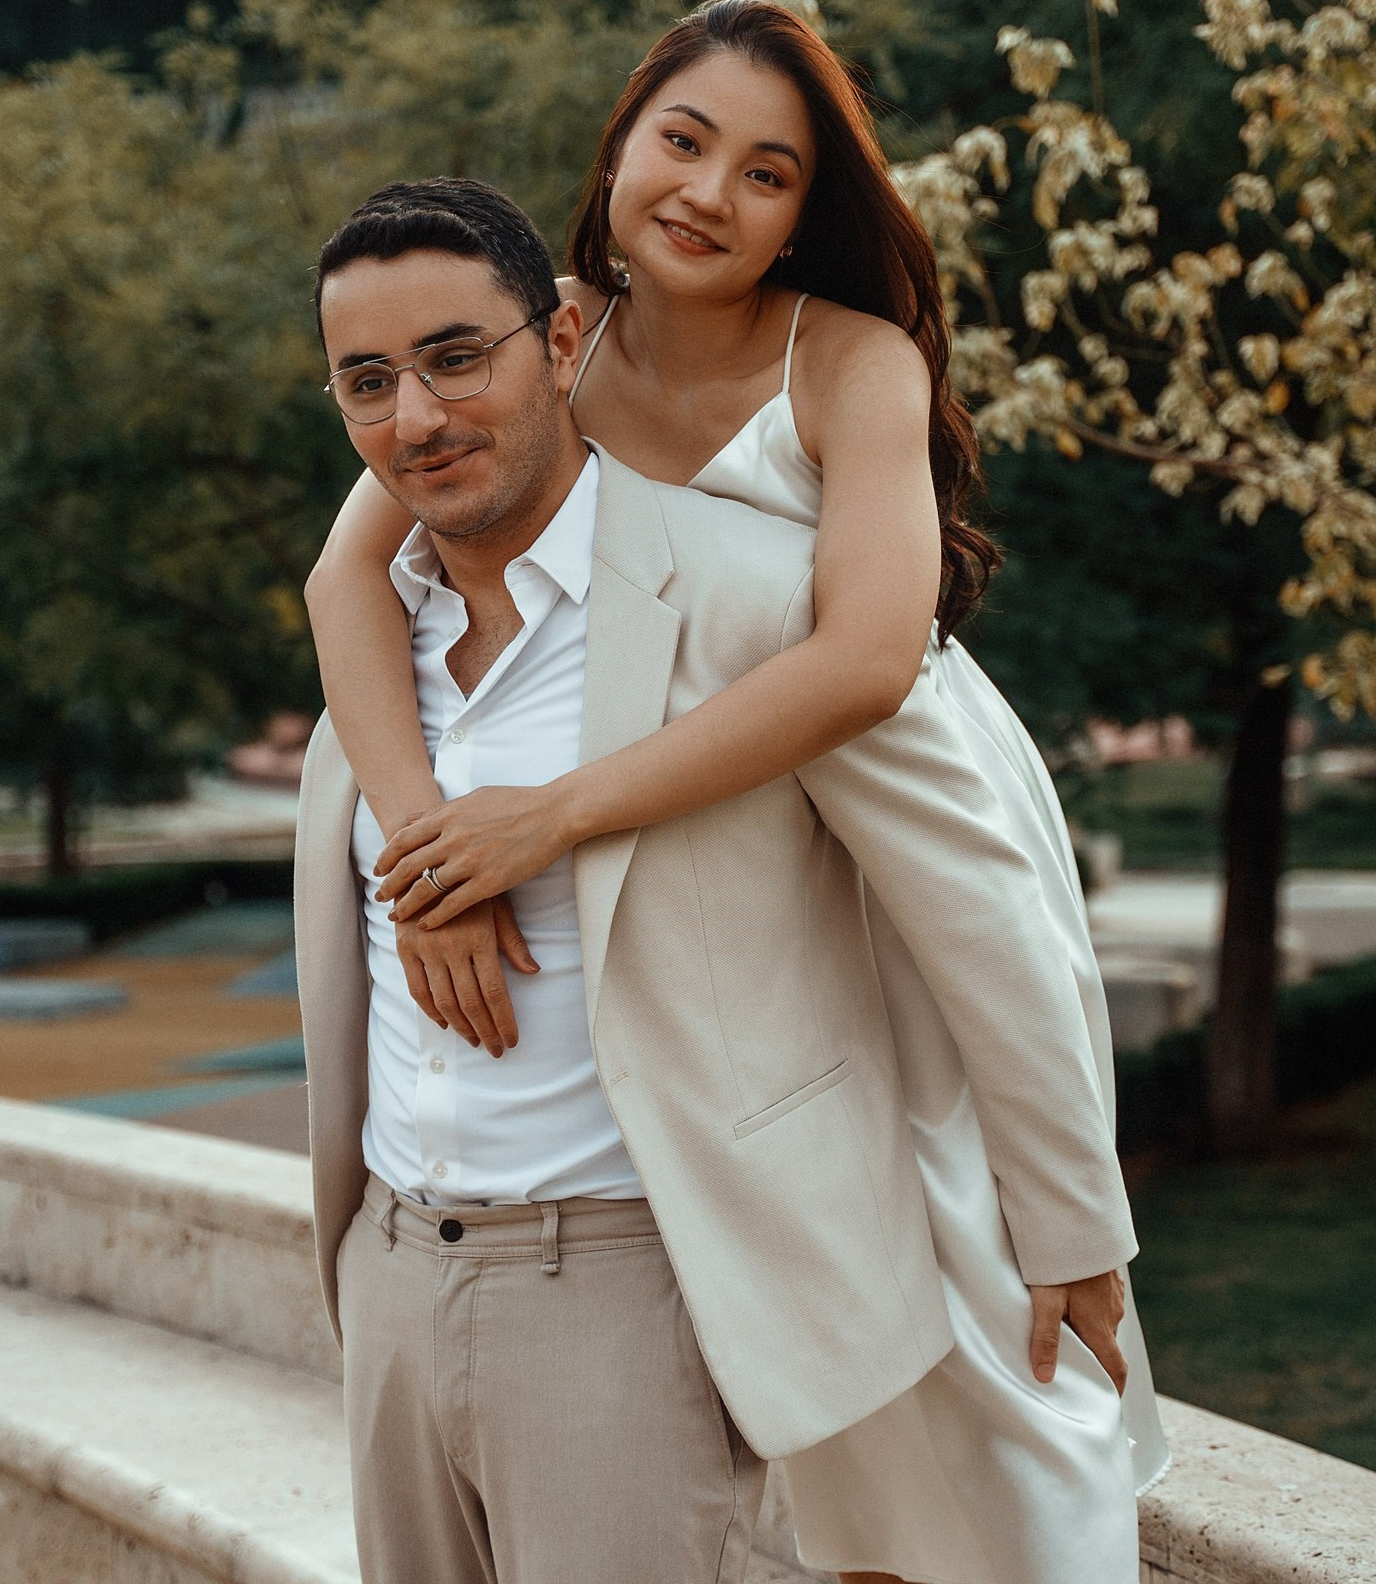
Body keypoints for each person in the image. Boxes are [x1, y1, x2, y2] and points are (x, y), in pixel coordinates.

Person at [299, 170, 1142, 1584]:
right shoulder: (370, 653)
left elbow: (983, 913)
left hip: (630, 1284)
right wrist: (428, 871)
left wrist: (1069, 1222)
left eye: (455, 358)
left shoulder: (762, 599)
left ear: (561, 344)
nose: (418, 418)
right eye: (367, 382)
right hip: (386, 1266)